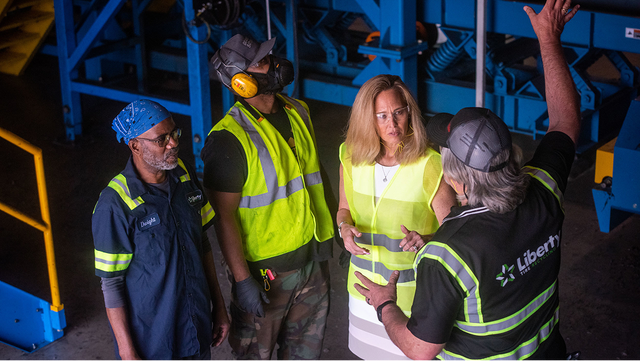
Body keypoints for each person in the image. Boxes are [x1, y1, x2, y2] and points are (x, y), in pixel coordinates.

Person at [353, 0, 582, 360]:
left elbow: (421, 349)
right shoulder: (544, 189)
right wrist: (548, 39)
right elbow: (565, 123)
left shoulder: (446, 255)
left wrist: (385, 305)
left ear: (454, 176)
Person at [201, 34, 335, 360]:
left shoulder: (298, 110)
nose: (275, 63)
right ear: (242, 82)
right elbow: (224, 216)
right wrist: (243, 280)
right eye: (262, 61)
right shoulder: (228, 140)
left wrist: (338, 227)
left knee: (304, 354)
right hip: (267, 275)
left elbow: (315, 176)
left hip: (312, 261)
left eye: (270, 56)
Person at [92, 99, 230, 361]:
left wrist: (219, 308)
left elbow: (202, 243)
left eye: (174, 133)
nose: (174, 143)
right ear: (135, 146)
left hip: (196, 327)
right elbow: (111, 283)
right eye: (161, 139)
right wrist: (127, 351)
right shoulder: (115, 203)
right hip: (153, 342)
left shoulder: (185, 175)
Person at [336, 74, 457, 360]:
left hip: (412, 299)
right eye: (381, 116)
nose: (392, 124)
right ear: (367, 119)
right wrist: (343, 227)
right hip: (363, 290)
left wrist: (426, 239)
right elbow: (344, 209)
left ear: (409, 113)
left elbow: (454, 233)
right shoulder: (350, 157)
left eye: (398, 112)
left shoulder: (430, 164)